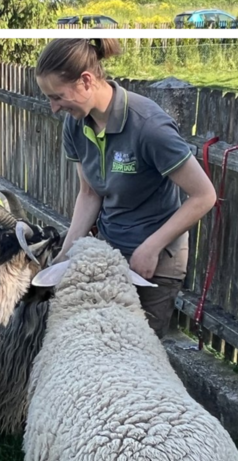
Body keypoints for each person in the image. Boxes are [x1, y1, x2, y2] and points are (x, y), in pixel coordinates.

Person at [35, 38, 217, 338]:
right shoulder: (76, 125)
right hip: (108, 258)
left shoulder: (149, 126)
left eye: (58, 96)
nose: (54, 108)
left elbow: (204, 196)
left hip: (155, 262)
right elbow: (90, 193)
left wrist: (151, 247)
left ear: (86, 81)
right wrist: (64, 256)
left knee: (137, 354)